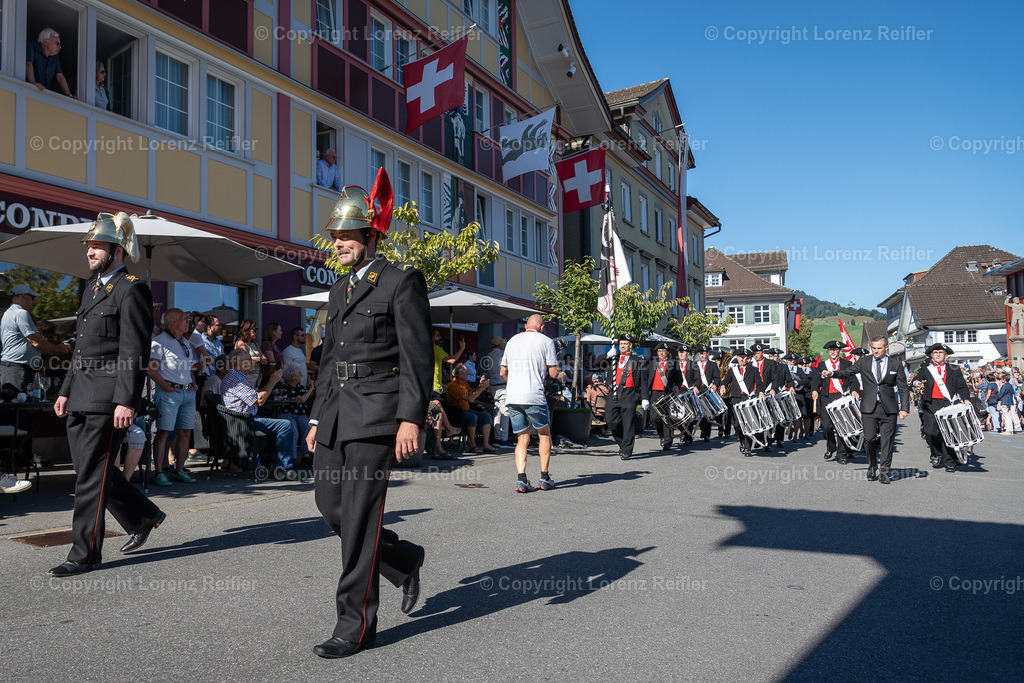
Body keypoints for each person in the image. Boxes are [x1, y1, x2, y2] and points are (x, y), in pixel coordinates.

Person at [304, 172, 431, 659]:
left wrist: (411, 418)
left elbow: (419, 357)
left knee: (359, 516)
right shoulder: (338, 290)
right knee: (331, 507)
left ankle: (354, 625)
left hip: (378, 414)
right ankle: (401, 557)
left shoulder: (401, 282)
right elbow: (330, 359)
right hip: (336, 413)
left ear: (371, 235)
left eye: (345, 237)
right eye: (334, 237)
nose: (337, 244)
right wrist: (317, 418)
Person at [50, 212, 165, 576]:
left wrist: (125, 400)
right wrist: (65, 391)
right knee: (90, 471)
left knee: (90, 477)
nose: (90, 252)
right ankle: (143, 515)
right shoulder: (91, 289)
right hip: (80, 394)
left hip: (107, 397)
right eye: (89, 246)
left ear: (118, 250)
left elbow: (134, 351)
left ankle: (83, 553)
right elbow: (82, 349)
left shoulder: (132, 289)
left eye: (97, 246)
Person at [825, 337, 909, 484]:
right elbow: (847, 372)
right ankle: (872, 465)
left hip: (889, 408)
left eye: (879, 348)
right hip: (869, 407)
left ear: (886, 348)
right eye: (874, 348)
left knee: (887, 440)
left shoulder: (896, 364)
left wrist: (904, 408)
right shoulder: (864, 362)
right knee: (869, 439)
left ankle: (884, 472)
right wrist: (832, 373)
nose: (876, 351)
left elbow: (903, 387)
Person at [500, 313, 559, 492]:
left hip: (513, 396)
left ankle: (521, 479)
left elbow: (502, 372)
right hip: (534, 395)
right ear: (541, 327)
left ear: (526, 325)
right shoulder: (546, 341)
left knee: (522, 438)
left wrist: (515, 384)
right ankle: (544, 477)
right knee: (543, 434)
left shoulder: (511, 341)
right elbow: (554, 373)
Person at [221, 349, 297, 476]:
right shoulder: (236, 379)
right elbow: (259, 400)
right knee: (285, 424)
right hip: (244, 422)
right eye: (249, 360)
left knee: (276, 419)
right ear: (240, 363)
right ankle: (281, 468)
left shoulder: (235, 376)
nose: (253, 362)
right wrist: (273, 380)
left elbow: (255, 397)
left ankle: (275, 464)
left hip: (241, 419)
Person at [147, 308, 199, 486]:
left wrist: (193, 384)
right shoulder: (159, 341)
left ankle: (179, 470)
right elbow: (150, 368)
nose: (188, 322)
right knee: (163, 433)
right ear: (173, 321)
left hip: (187, 393)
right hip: (170, 392)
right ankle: (159, 472)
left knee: (185, 433)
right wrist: (166, 387)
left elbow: (189, 368)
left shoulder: (184, 341)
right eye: (185, 318)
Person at [913, 344, 971, 472]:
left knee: (949, 433)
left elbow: (962, 386)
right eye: (935, 352)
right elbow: (917, 378)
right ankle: (935, 452)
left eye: (941, 352)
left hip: (948, 403)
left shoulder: (954, 369)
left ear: (946, 355)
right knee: (931, 433)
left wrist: (966, 398)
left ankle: (949, 462)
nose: (938, 354)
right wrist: (916, 383)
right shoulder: (925, 368)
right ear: (931, 355)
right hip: (930, 404)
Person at [1, 283, 66, 392]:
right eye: (32, 298)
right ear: (23, 296)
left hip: (12, 369)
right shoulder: (21, 313)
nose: (33, 302)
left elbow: (32, 339)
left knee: (14, 406)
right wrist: (62, 349)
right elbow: (37, 342)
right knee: (19, 407)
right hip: (16, 371)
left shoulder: (9, 313)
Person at [606, 336, 649, 460]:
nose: (623, 345)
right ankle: (622, 443)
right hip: (614, 393)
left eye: (625, 343)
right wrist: (607, 355)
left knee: (628, 423)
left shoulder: (638, 361)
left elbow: (643, 381)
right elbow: (597, 363)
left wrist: (645, 397)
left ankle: (626, 450)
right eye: (621, 343)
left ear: (630, 345)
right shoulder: (613, 359)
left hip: (630, 394)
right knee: (611, 420)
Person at [812, 341, 853, 463]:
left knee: (841, 426)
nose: (833, 352)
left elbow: (853, 380)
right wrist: (814, 390)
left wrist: (854, 390)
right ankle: (831, 447)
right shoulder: (822, 365)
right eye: (831, 350)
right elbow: (815, 380)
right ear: (828, 352)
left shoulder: (847, 364)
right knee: (827, 426)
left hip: (841, 397)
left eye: (835, 350)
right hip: (826, 397)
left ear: (839, 351)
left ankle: (841, 455)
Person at [721, 348, 767, 456]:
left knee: (748, 424)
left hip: (748, 399)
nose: (742, 359)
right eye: (740, 357)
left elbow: (760, 383)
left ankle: (747, 447)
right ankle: (741, 440)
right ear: (737, 358)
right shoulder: (733, 370)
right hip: (736, 400)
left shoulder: (753, 369)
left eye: (744, 357)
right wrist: (723, 386)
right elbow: (726, 380)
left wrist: (761, 392)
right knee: (737, 425)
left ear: (747, 358)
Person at [271, 361, 316, 465]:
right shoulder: (282, 386)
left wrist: (310, 389)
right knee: (293, 430)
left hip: (301, 415)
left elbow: (305, 396)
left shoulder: (300, 387)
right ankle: (291, 457)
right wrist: (311, 389)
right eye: (299, 373)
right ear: (293, 375)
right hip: (287, 414)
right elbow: (301, 399)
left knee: (308, 427)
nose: (301, 375)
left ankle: (306, 455)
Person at [446, 363, 496, 453]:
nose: (468, 374)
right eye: (466, 372)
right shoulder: (453, 385)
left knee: (486, 416)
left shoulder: (464, 383)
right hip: (457, 414)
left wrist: (480, 386)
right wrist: (482, 388)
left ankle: (486, 444)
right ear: (459, 374)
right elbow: (470, 399)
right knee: (472, 417)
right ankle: (473, 446)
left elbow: (472, 392)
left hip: (467, 410)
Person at [642, 343, 682, 450]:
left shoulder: (674, 363)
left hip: (667, 393)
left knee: (666, 417)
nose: (661, 353)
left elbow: (679, 378)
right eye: (660, 351)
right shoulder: (651, 364)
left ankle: (667, 441)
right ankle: (662, 436)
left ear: (668, 352)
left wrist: (677, 386)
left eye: (664, 351)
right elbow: (645, 379)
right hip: (655, 393)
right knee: (654, 417)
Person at [26, 28, 73, 96]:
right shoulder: (32, 47)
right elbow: (28, 64)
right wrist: (33, 83)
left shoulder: (54, 57)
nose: (60, 47)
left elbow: (60, 77)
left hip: (44, 94)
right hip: (29, 91)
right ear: (45, 42)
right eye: (57, 44)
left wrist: (69, 95)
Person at [693, 344, 722, 442]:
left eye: (704, 353)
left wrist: (715, 385)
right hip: (697, 390)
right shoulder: (695, 365)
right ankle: (702, 429)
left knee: (708, 413)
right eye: (700, 354)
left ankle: (707, 434)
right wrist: (694, 387)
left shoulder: (712, 364)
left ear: (707, 354)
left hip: (707, 390)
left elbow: (717, 378)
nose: (702, 355)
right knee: (698, 414)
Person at [485, 336, 510, 445]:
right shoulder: (501, 354)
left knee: (497, 412)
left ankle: (497, 438)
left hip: (493, 386)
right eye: (503, 344)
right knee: (504, 412)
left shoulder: (489, 355)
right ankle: (503, 439)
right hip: (502, 385)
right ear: (500, 345)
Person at [234, 319, 266, 387]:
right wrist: (259, 360)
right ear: (246, 329)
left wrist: (254, 360)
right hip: (246, 377)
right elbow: (246, 361)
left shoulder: (255, 343)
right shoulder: (240, 343)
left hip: (256, 377)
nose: (256, 332)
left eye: (257, 329)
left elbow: (265, 360)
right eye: (254, 329)